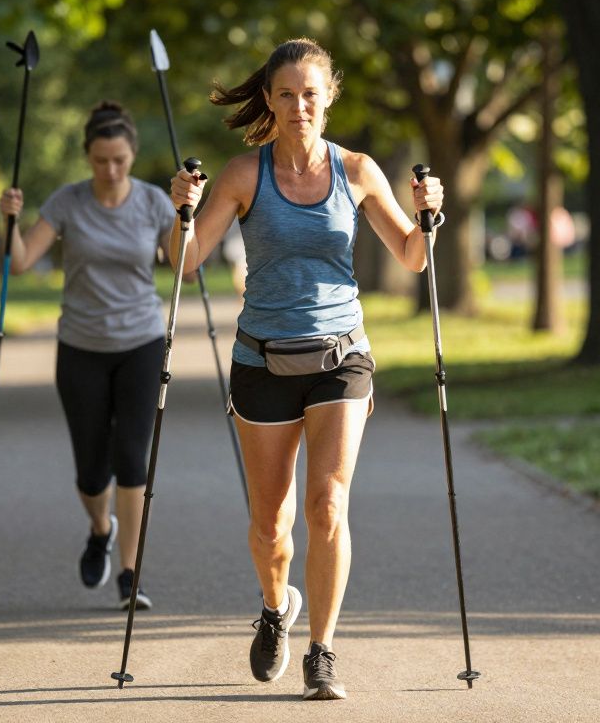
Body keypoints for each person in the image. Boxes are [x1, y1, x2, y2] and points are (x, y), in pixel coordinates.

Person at [168, 38, 444, 701]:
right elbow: (185, 262)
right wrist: (181, 211)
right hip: (262, 359)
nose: (299, 106)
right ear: (268, 99)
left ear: (329, 97)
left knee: (328, 503)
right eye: (286, 94)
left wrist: (431, 214)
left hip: (340, 355)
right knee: (272, 525)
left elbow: (410, 256)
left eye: (310, 94)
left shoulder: (357, 170)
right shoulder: (242, 175)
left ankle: (323, 651)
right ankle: (274, 607)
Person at [0, 101, 174, 611]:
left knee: (132, 459)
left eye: (119, 160)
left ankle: (128, 573)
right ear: (88, 158)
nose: (111, 170)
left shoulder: (154, 203)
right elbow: (23, 258)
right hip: (80, 347)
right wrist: (8, 219)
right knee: (92, 470)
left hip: (141, 342)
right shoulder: (67, 202)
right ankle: (100, 529)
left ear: (133, 155)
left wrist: (185, 215)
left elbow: (185, 265)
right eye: (101, 161)